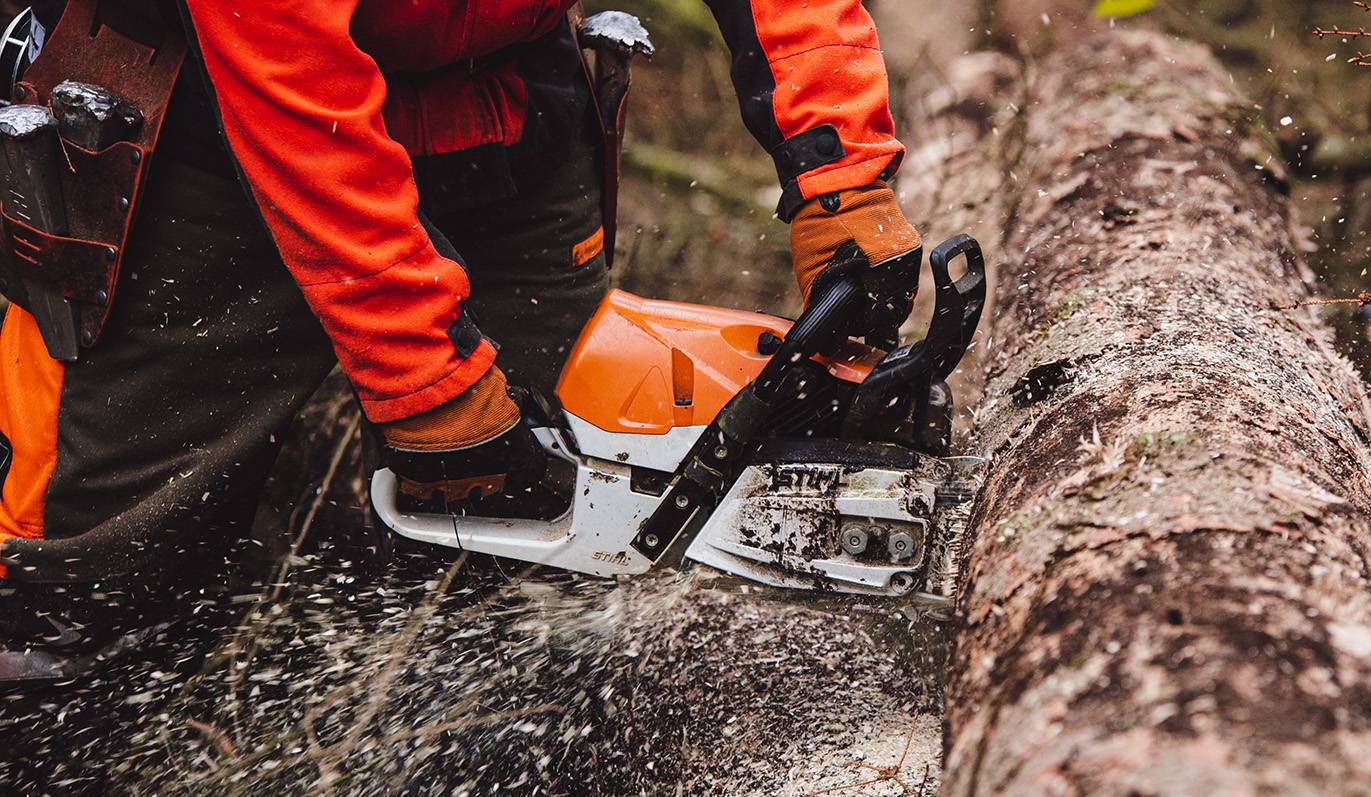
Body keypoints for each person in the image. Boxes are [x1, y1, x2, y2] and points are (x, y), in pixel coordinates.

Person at [0, 0, 922, 682]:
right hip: (211, 107)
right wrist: (427, 384)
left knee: (562, 515)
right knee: (80, 581)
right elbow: (297, 97)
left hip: (505, 87)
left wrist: (838, 167)